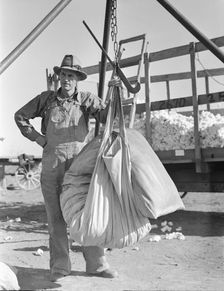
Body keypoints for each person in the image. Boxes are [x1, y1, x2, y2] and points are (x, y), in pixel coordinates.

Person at [14, 54, 118, 282]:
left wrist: (114, 93)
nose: (66, 79)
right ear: (58, 77)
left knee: (88, 213)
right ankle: (60, 267)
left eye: (71, 75)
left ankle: (97, 265)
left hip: (80, 166)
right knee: (56, 217)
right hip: (52, 165)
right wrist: (38, 139)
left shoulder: (86, 99)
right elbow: (20, 116)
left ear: (78, 79)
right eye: (63, 74)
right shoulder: (46, 99)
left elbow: (110, 116)